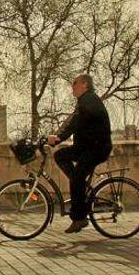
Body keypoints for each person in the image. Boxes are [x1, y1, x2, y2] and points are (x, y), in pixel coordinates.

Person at [47, 74, 112, 233]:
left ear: (85, 84)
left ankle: (79, 218)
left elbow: (75, 124)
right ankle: (80, 186)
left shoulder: (89, 100)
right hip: (85, 147)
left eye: (74, 84)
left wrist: (59, 138)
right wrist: (57, 136)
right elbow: (71, 122)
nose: (72, 88)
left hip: (96, 149)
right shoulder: (84, 102)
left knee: (76, 177)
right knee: (60, 155)